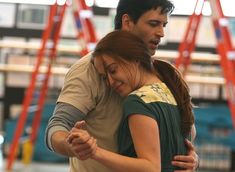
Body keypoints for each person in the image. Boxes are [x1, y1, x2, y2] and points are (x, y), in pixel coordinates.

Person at [45, 0, 199, 171]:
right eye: (153, 23)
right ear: (127, 22)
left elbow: (187, 132)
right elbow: (59, 125)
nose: (161, 33)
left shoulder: (162, 74)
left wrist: (190, 157)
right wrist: (72, 146)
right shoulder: (87, 70)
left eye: (164, 25)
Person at [67, 29, 195, 172]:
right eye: (104, 77)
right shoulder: (171, 92)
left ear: (135, 59)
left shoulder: (137, 101)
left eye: (113, 70)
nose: (110, 81)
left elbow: (151, 167)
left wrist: (94, 152)